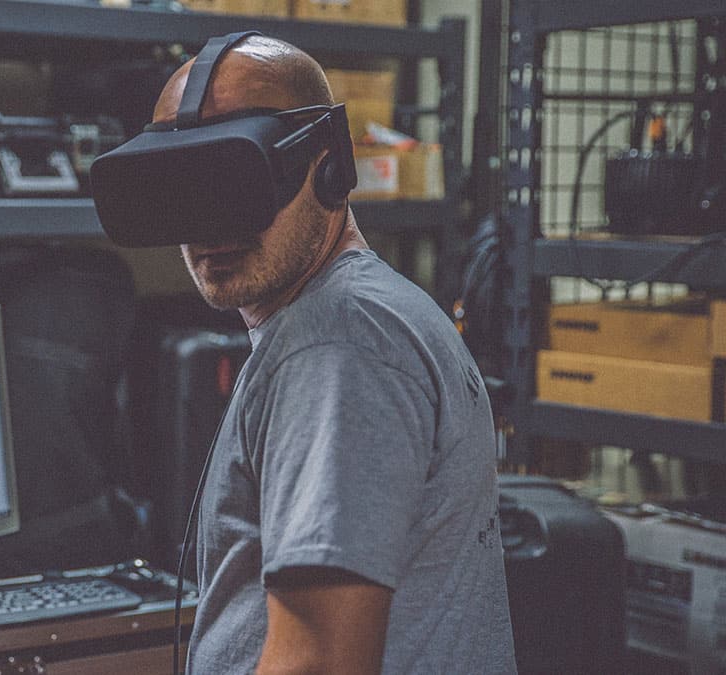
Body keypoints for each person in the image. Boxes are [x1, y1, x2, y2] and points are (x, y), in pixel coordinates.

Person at [155, 36, 518, 673]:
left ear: (330, 167)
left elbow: (319, 661)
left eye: (240, 181)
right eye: (185, 188)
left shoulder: (336, 343)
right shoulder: (370, 311)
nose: (211, 226)